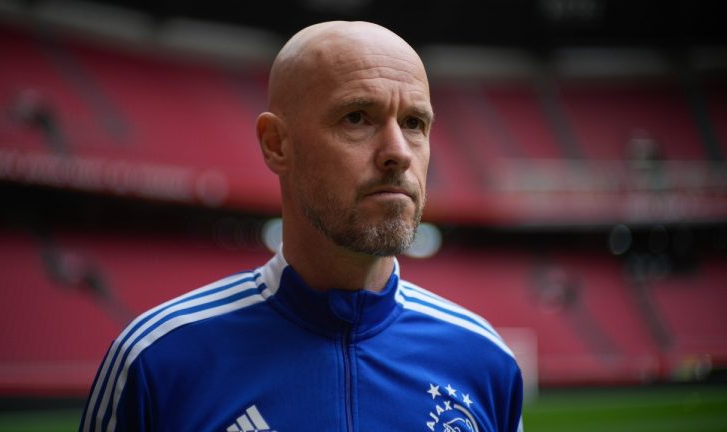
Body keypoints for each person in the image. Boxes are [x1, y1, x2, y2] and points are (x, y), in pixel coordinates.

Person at [80, 21, 523, 432]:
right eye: (357, 117)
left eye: (414, 123)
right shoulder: (157, 361)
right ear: (277, 144)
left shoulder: (486, 360)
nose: (399, 152)